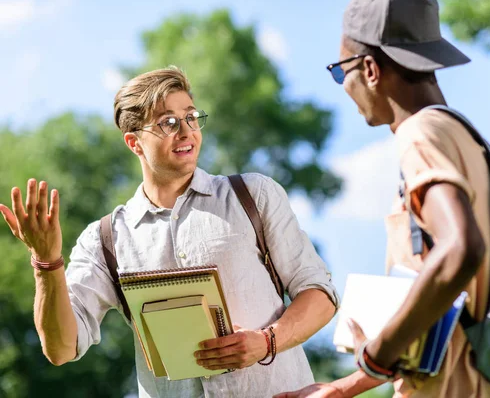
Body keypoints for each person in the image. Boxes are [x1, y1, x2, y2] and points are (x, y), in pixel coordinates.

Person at [0, 66, 339, 398]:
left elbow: (320, 294)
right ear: (134, 143)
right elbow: (61, 348)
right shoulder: (105, 239)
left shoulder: (254, 196)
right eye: (168, 123)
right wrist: (46, 262)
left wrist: (267, 341)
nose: (186, 131)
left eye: (191, 117)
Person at [276, 0, 490, 397]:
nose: (344, 86)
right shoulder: (469, 142)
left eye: (340, 71)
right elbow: (448, 313)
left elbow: (460, 249)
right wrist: (346, 387)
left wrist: (374, 357)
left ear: (369, 68)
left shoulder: (420, 135)